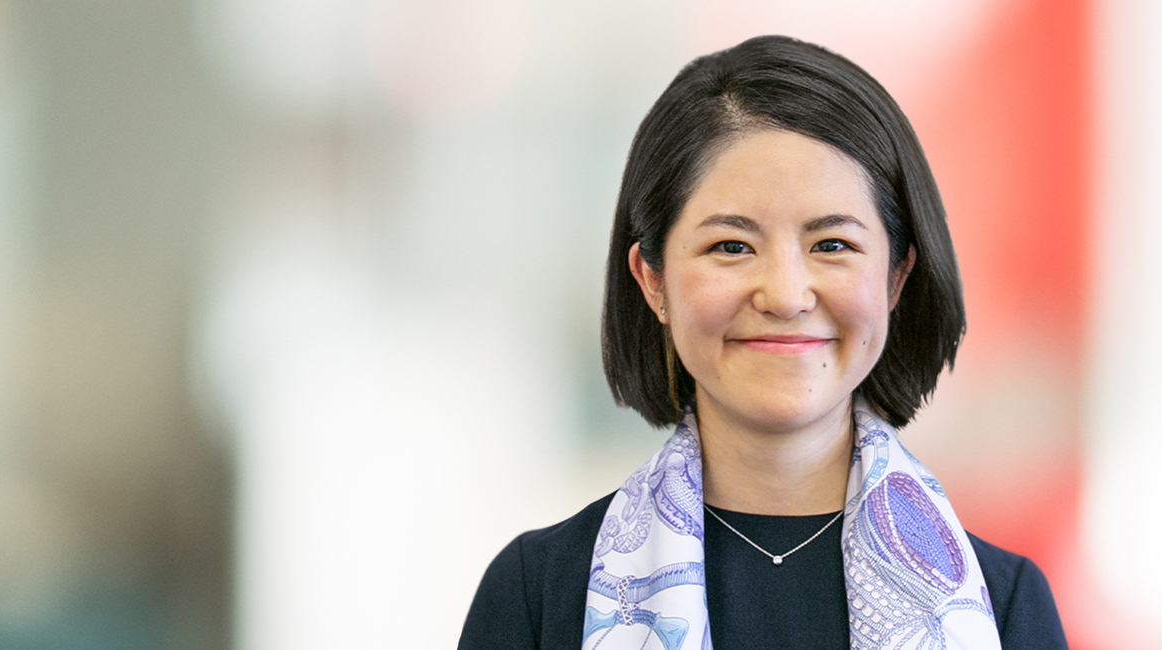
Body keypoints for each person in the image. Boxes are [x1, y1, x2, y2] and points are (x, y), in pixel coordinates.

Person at [457, 36, 1068, 650]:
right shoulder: (537, 595)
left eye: (832, 245)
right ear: (652, 280)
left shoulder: (1004, 606)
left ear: (896, 278)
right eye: (731, 246)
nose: (784, 294)